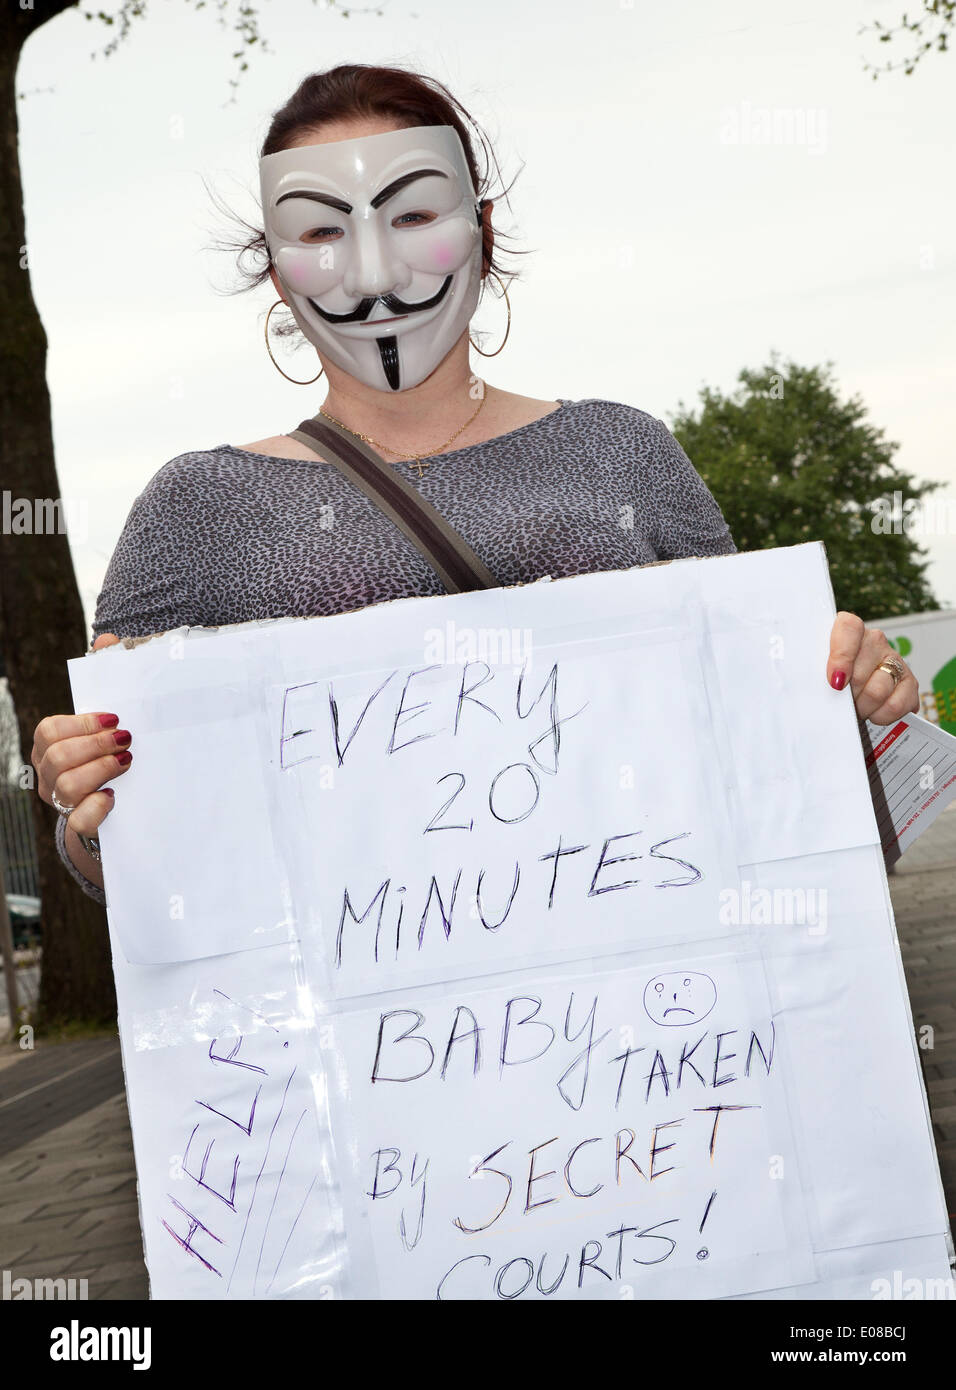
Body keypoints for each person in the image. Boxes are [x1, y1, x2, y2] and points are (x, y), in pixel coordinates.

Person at [30, 63, 918, 908]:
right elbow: (126, 870)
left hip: (661, 1027)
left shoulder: (623, 449)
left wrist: (858, 702)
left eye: (414, 215)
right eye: (322, 230)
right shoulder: (194, 511)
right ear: (275, 267)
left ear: (482, 230)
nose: (374, 273)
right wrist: (89, 809)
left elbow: (758, 744)